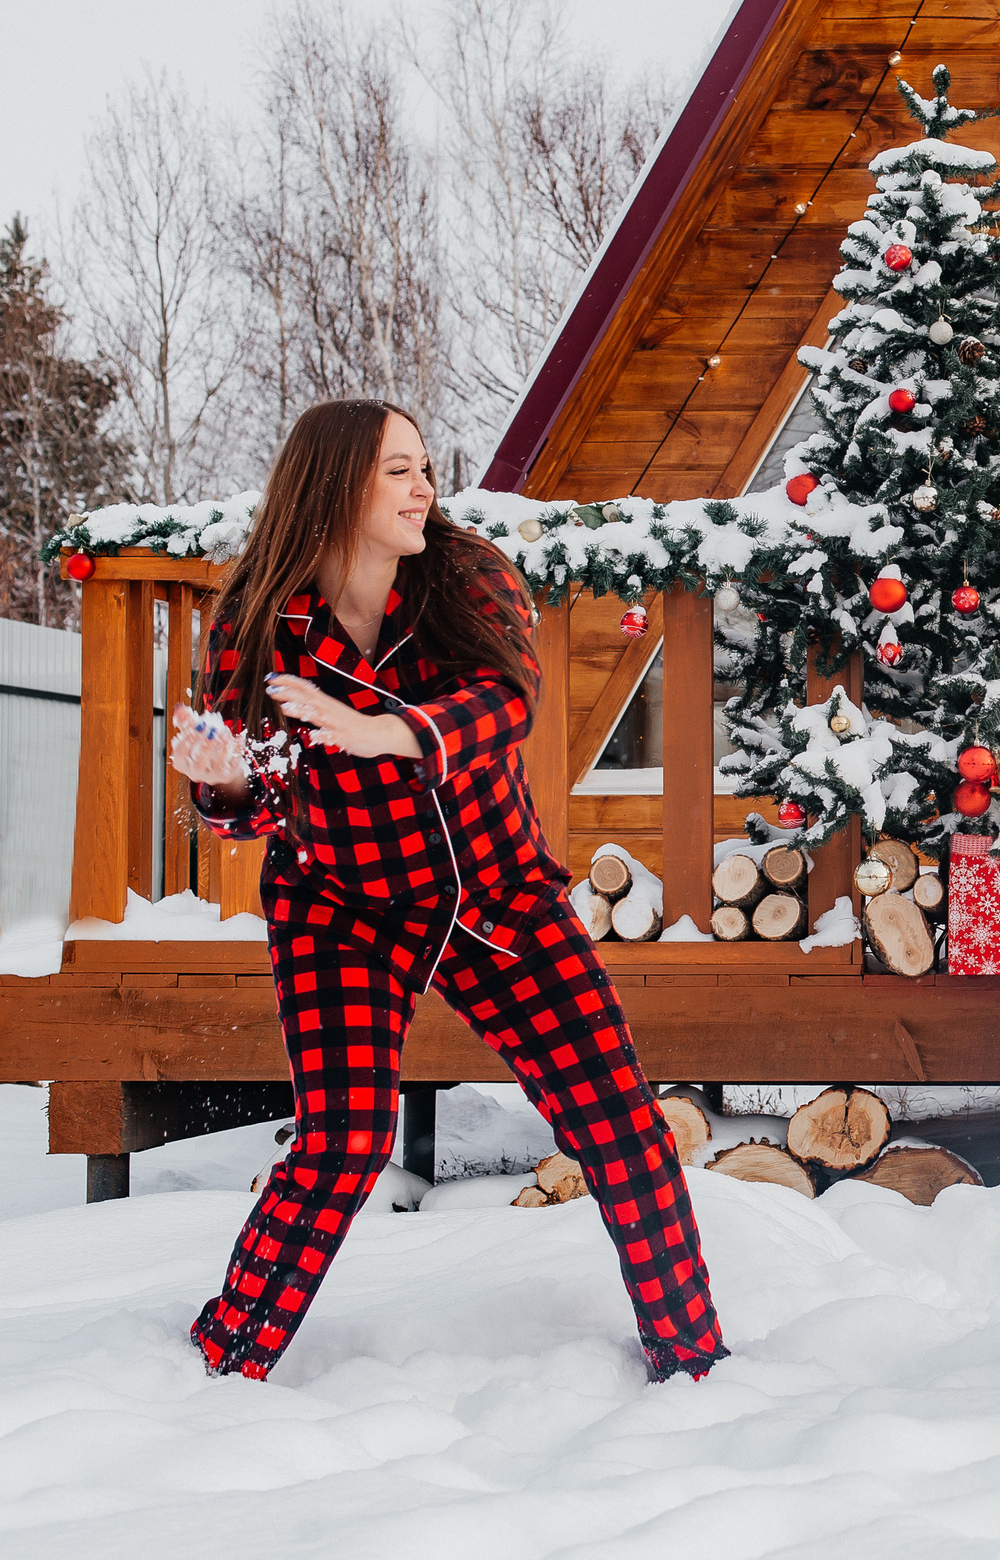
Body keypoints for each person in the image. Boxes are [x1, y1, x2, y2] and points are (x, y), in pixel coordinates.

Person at [168, 398, 726, 1384]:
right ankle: (222, 1358)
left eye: (424, 465)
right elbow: (256, 797)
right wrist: (220, 779)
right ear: (334, 483)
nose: (424, 486)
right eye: (397, 469)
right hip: (338, 905)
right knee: (343, 1138)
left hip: (495, 898)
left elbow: (508, 700)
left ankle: (694, 1362)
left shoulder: (466, 577)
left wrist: (389, 730)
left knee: (620, 1123)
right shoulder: (258, 617)